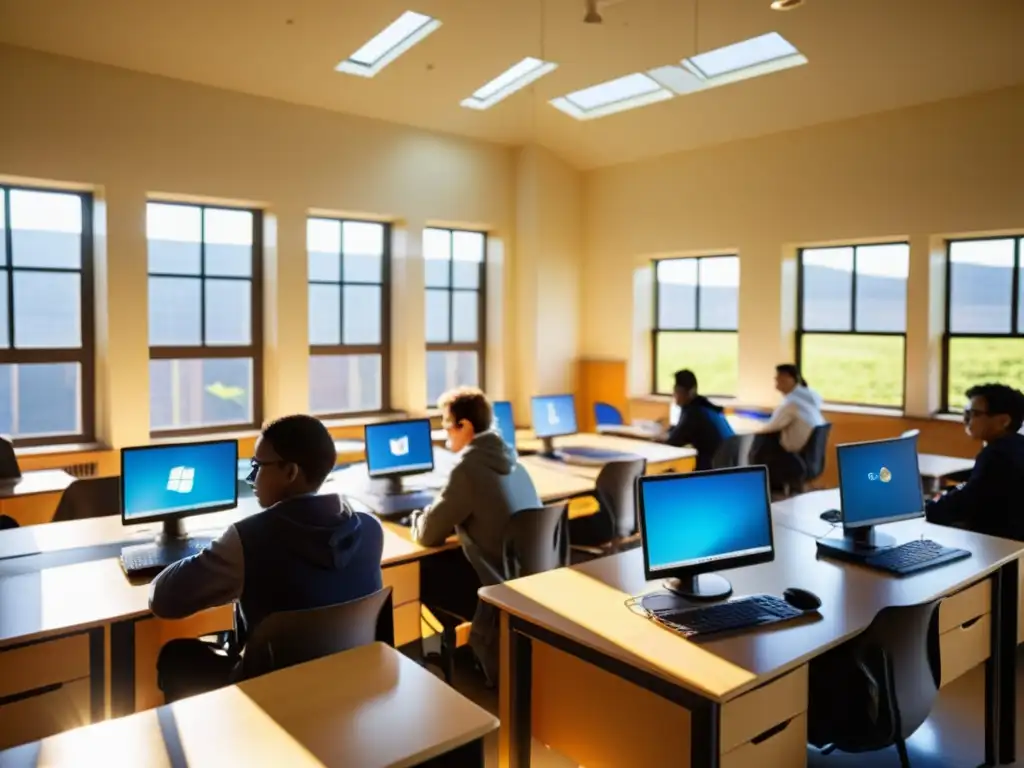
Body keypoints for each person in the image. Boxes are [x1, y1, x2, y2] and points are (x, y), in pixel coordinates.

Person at [151, 414, 383, 702]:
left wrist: (213, 550)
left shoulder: (248, 539)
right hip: (348, 682)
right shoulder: (370, 529)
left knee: (177, 655)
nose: (251, 478)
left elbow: (163, 600)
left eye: (258, 466)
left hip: (272, 693)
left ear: (290, 472)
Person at [410, 387, 541, 685]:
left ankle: (435, 664)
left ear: (465, 426)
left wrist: (417, 517)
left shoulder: (469, 469)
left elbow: (428, 536)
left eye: (446, 424)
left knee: (422, 571)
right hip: (525, 578)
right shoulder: (512, 460)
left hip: (494, 585)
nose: (445, 433)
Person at [926, 383, 1024, 539]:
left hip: (1001, 544)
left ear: (1003, 421)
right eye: (966, 413)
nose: (966, 420)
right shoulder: (1016, 445)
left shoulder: (996, 455)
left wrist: (927, 507)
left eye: (975, 414)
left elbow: (963, 503)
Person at [751, 363, 826, 491]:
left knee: (759, 443)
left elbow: (768, 428)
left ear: (788, 378)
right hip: (807, 457)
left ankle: (758, 490)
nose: (775, 380)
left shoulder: (792, 403)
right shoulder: (809, 396)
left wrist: (754, 423)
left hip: (791, 456)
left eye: (778, 377)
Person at [663, 369, 735, 470]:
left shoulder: (693, 412)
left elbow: (673, 441)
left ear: (689, 392)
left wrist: (655, 437)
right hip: (730, 466)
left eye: (678, 390)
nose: (675, 394)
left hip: (714, 470)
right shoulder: (706, 407)